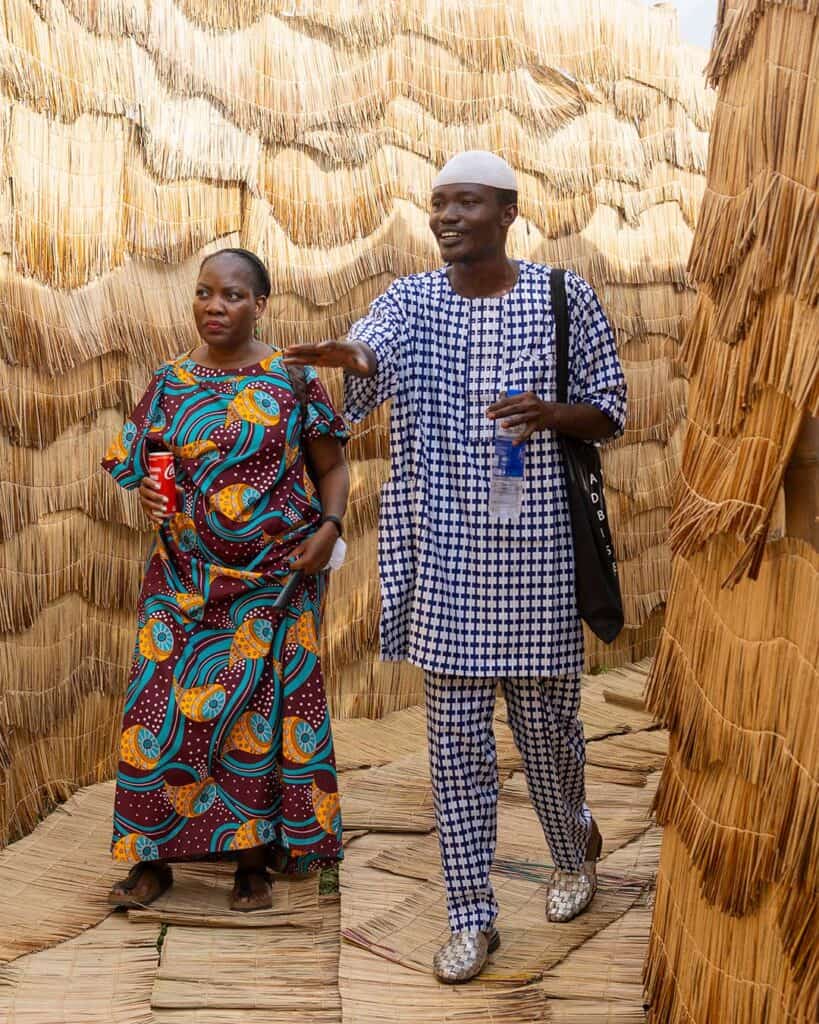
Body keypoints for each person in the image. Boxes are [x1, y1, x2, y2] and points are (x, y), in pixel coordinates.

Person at [285, 152, 627, 981]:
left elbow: (610, 411)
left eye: (463, 204)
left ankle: (570, 851)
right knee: (457, 751)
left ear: (506, 212)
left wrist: (550, 412)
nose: (443, 217)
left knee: (547, 737)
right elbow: (371, 354)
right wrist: (350, 357)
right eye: (437, 204)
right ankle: (471, 916)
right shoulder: (409, 301)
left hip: (538, 555)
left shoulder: (560, 296)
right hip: (445, 561)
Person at [102, 248, 349, 912]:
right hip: (180, 579)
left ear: (260, 304)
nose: (215, 306)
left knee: (255, 721)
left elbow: (330, 464)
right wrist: (152, 498)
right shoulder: (169, 381)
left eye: (233, 295)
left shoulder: (289, 379)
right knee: (155, 710)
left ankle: (251, 863)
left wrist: (329, 527)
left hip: (274, 580)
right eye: (205, 293)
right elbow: (146, 459)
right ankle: (152, 861)